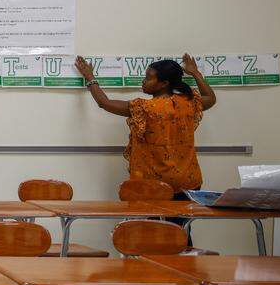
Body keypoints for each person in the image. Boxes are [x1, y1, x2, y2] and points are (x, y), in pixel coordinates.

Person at [74, 54, 217, 197]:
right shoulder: (189, 103)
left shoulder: (145, 108)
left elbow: (104, 103)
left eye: (149, 78)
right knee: (177, 220)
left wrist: (90, 77)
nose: (143, 81)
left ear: (164, 83)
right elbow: (211, 98)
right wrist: (194, 72)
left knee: (151, 220)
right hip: (189, 181)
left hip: (155, 186)